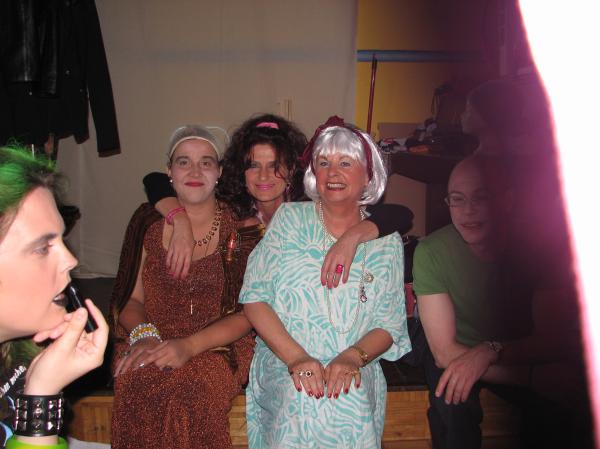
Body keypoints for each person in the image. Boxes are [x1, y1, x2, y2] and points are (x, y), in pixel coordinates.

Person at [238, 116, 412, 449]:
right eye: (324, 162)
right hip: (285, 357)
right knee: (301, 395)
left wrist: (352, 357)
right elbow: (254, 298)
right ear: (313, 173)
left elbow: (389, 324)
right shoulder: (289, 219)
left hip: (355, 360)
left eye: (345, 163)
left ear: (368, 175)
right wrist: (297, 358)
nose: (333, 173)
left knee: (349, 394)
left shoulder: (386, 242)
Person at [413, 155, 589, 449]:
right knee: (451, 400)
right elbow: (444, 353)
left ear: (507, 200)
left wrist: (490, 351)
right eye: (457, 199)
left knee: (561, 401)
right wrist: (528, 377)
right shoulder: (431, 251)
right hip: (460, 353)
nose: (468, 211)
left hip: (518, 353)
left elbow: (552, 340)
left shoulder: (542, 249)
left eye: (481, 197)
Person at [110, 125, 263, 449]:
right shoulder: (146, 223)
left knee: (190, 392)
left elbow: (247, 314)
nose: (195, 171)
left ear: (220, 172)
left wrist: (189, 347)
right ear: (169, 171)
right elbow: (130, 300)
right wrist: (145, 336)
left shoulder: (240, 228)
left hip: (218, 345)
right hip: (150, 335)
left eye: (206, 162)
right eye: (184, 162)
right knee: (135, 381)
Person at [142, 113, 413, 284]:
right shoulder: (232, 207)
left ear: (293, 168)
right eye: (253, 165)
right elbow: (154, 180)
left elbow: (400, 214)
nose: (263, 176)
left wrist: (352, 237)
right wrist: (180, 221)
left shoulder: (311, 208)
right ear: (240, 170)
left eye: (275, 166)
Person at [0, 145, 108, 449]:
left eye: (62, 239)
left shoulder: (21, 351)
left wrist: (42, 385)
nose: (70, 260)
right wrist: (41, 400)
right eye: (42, 248)